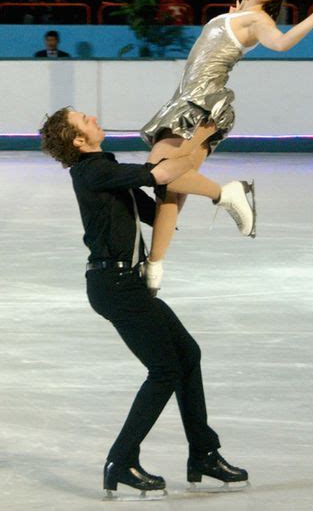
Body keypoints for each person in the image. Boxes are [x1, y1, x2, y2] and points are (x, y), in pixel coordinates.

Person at [39, 106, 250, 496]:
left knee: (187, 355)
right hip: (115, 285)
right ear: (78, 141)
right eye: (83, 120)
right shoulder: (93, 172)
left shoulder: (106, 170)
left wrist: (184, 171)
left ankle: (203, 453)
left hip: (123, 282)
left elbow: (161, 205)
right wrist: (198, 139)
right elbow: (163, 173)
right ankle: (122, 460)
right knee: (165, 369)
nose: (92, 117)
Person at [140, 0, 313, 291]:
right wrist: (233, 15)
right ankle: (153, 269)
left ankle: (228, 194)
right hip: (188, 99)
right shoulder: (239, 14)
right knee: (170, 189)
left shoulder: (259, 20)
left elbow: (280, 43)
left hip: (201, 103)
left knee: (159, 168)